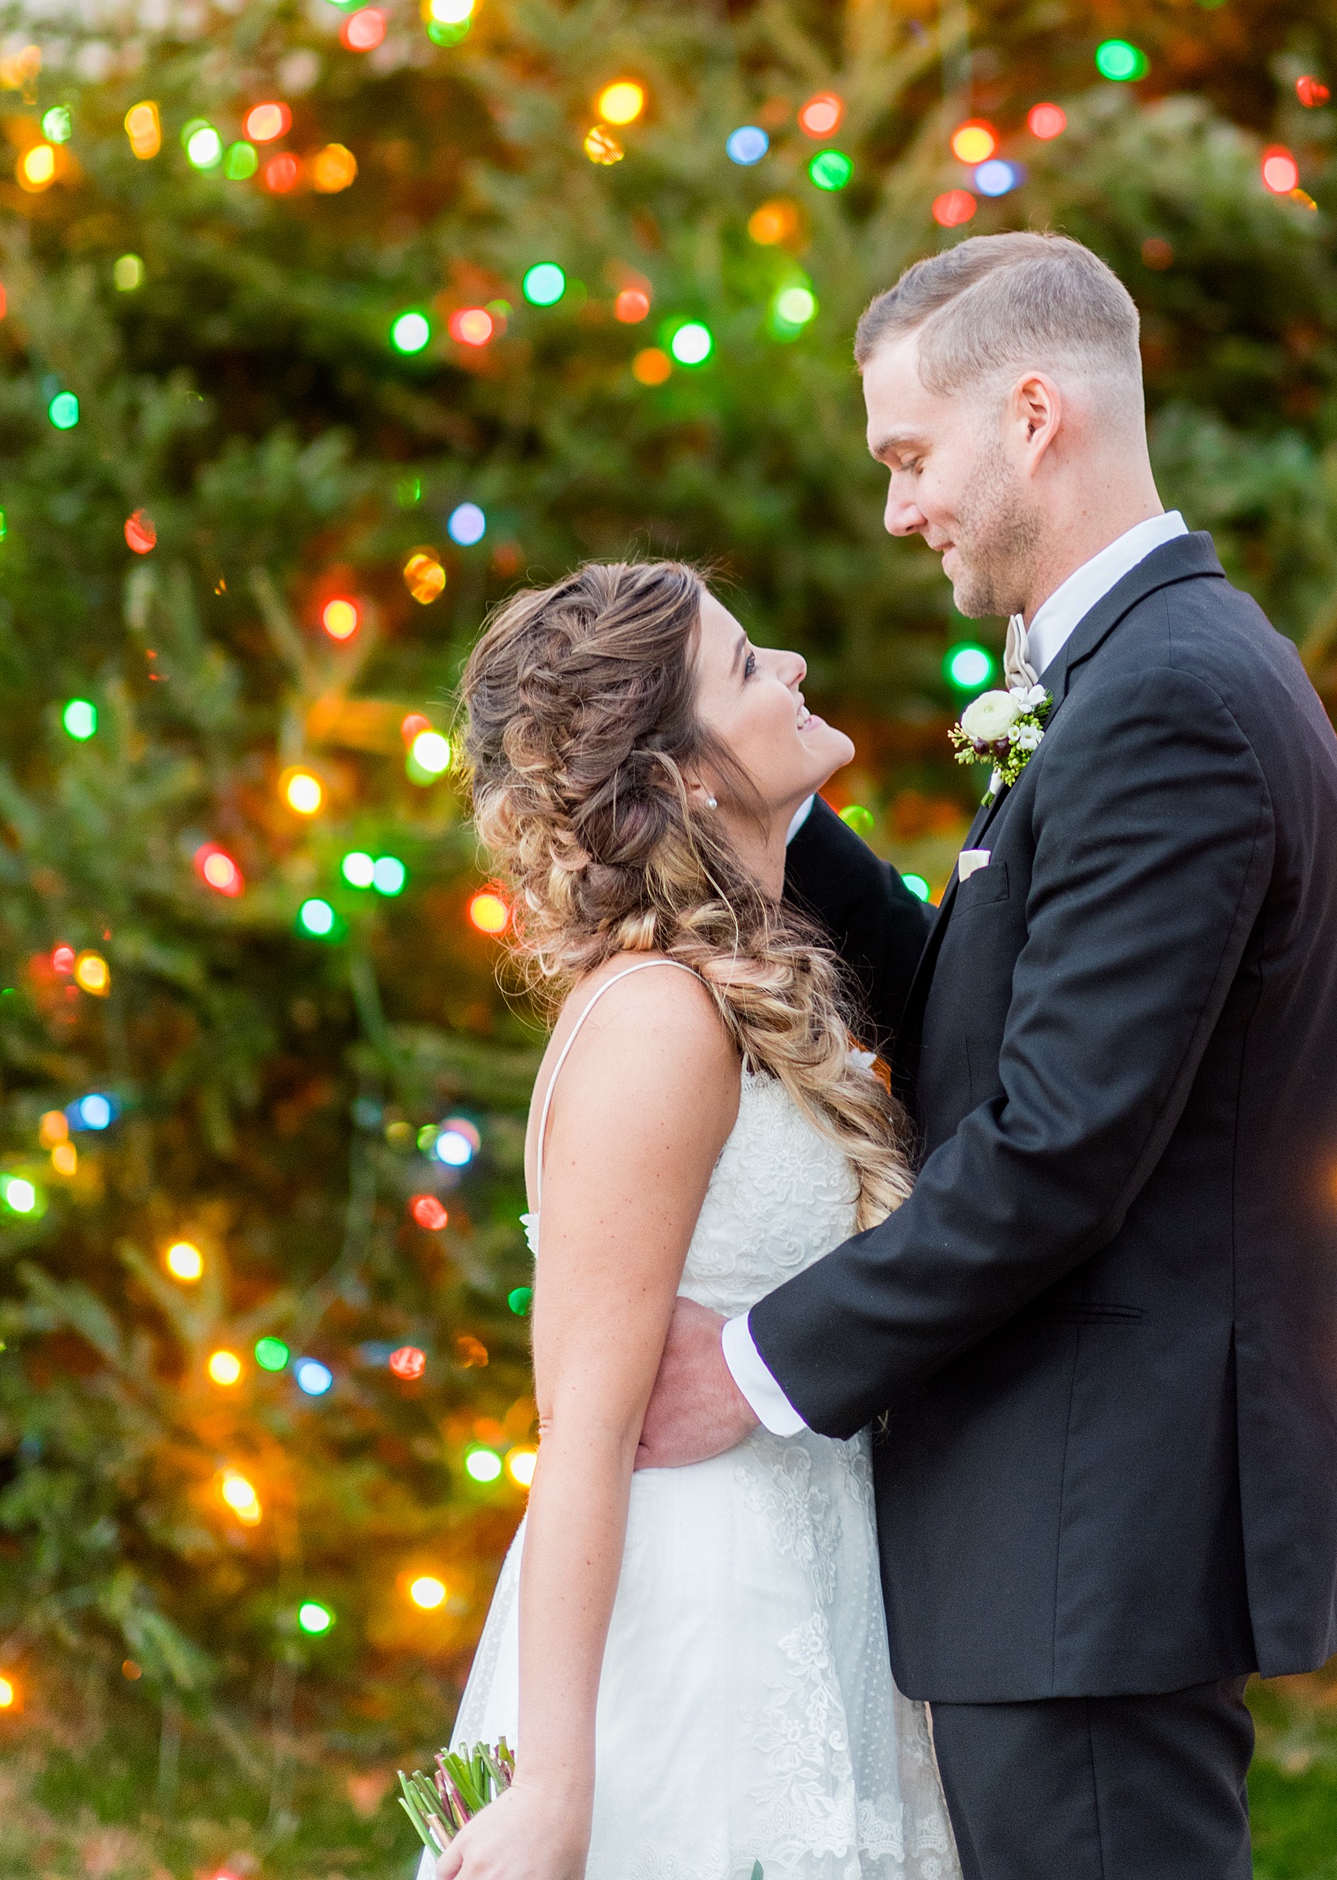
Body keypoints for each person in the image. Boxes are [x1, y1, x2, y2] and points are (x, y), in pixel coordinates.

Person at [637, 233, 1337, 1880]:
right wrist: (775, 814)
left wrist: (751, 1367)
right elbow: (979, 1016)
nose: (898, 508)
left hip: (1092, 1527)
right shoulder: (1123, 678)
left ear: (1034, 412)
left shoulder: (1168, 698)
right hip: (1059, 1530)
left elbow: (1055, 1144)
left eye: (910, 454)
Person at [431, 560, 960, 1880]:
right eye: (743, 666)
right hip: (698, 1632)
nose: (786, 667)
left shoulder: (753, 979)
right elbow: (585, 1430)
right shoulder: (658, 1017)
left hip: (812, 1590)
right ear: (690, 780)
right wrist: (557, 1784)